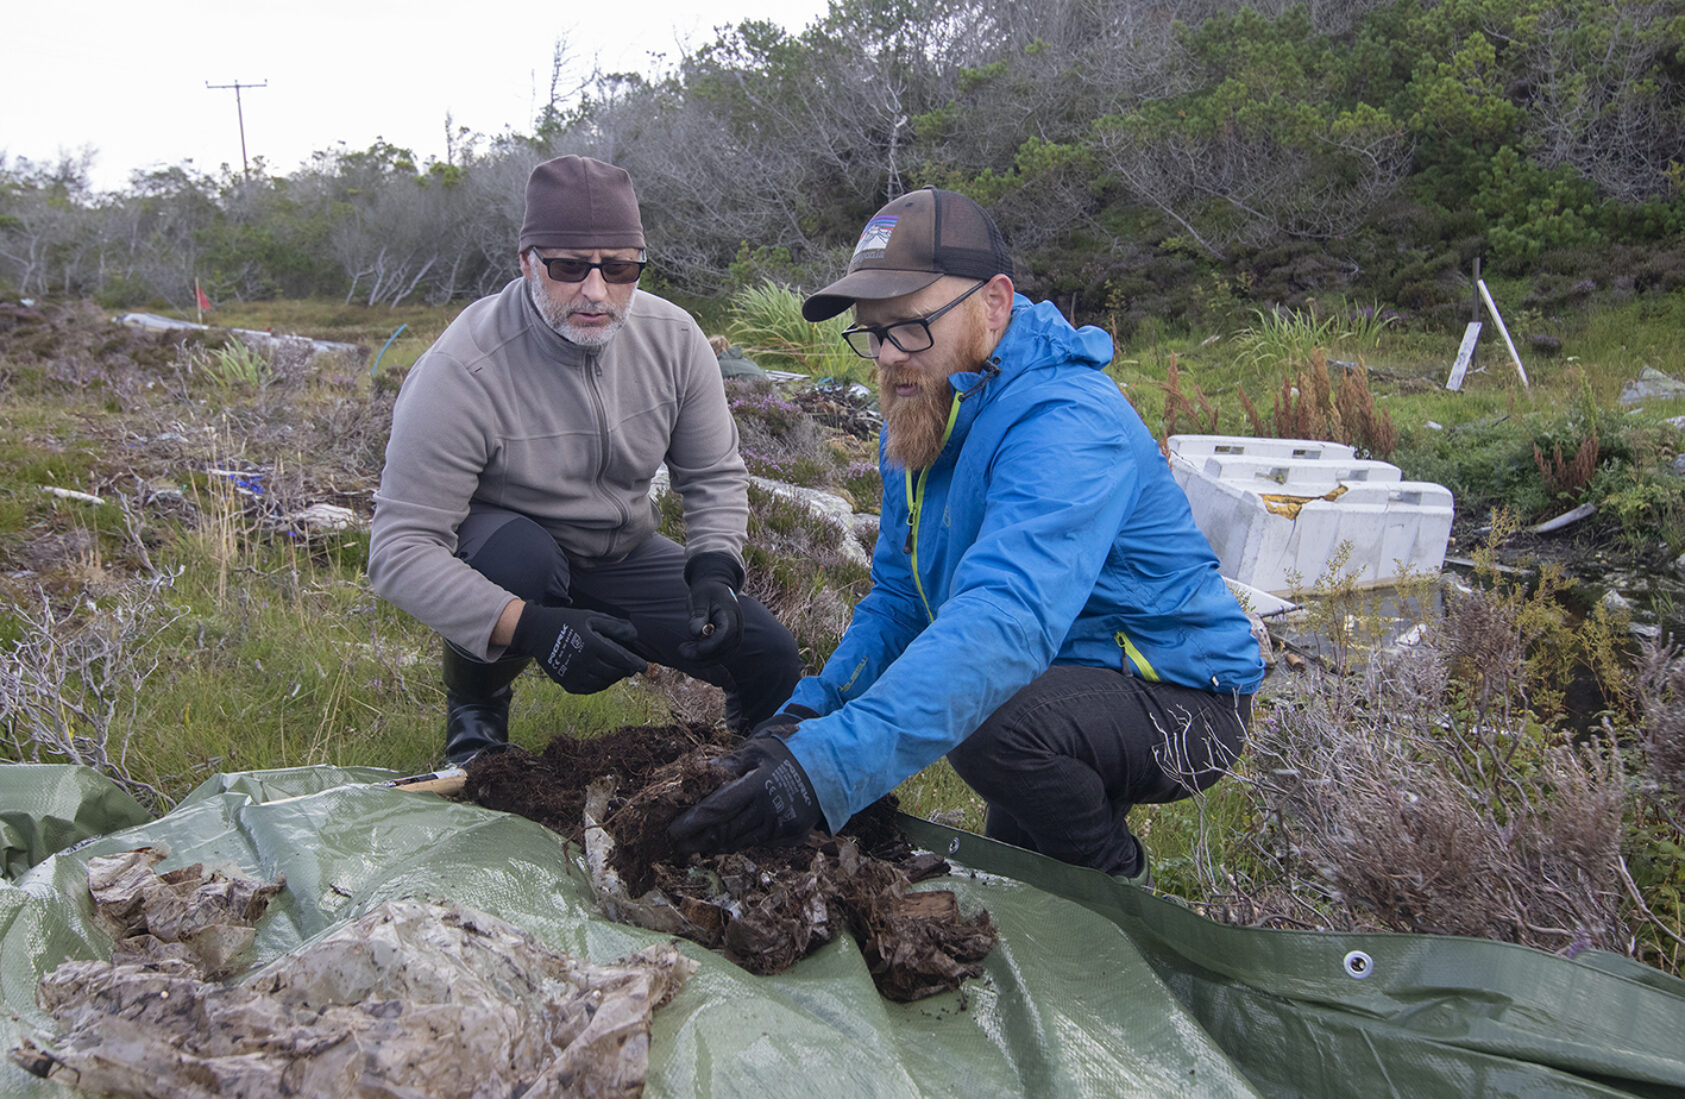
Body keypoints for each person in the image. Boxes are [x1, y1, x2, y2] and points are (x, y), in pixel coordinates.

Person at [668, 188, 1265, 880]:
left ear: (995, 303)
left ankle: (1121, 884)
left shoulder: (1065, 422)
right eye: (873, 332)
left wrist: (822, 770)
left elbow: (1004, 619)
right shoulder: (926, 410)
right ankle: (1069, 887)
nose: (889, 356)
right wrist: (807, 713)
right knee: (1020, 873)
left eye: (910, 326)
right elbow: (898, 599)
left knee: (992, 733)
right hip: (1057, 679)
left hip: (1183, 696)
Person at [368, 155, 802, 764]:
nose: (596, 292)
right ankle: (476, 713)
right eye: (570, 267)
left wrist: (714, 571)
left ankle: (752, 774)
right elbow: (398, 551)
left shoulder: (676, 339)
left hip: (621, 550)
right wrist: (532, 628)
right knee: (525, 560)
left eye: (620, 267)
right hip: (510, 548)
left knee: (769, 654)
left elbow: (713, 475)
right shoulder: (461, 369)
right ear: (526, 263)